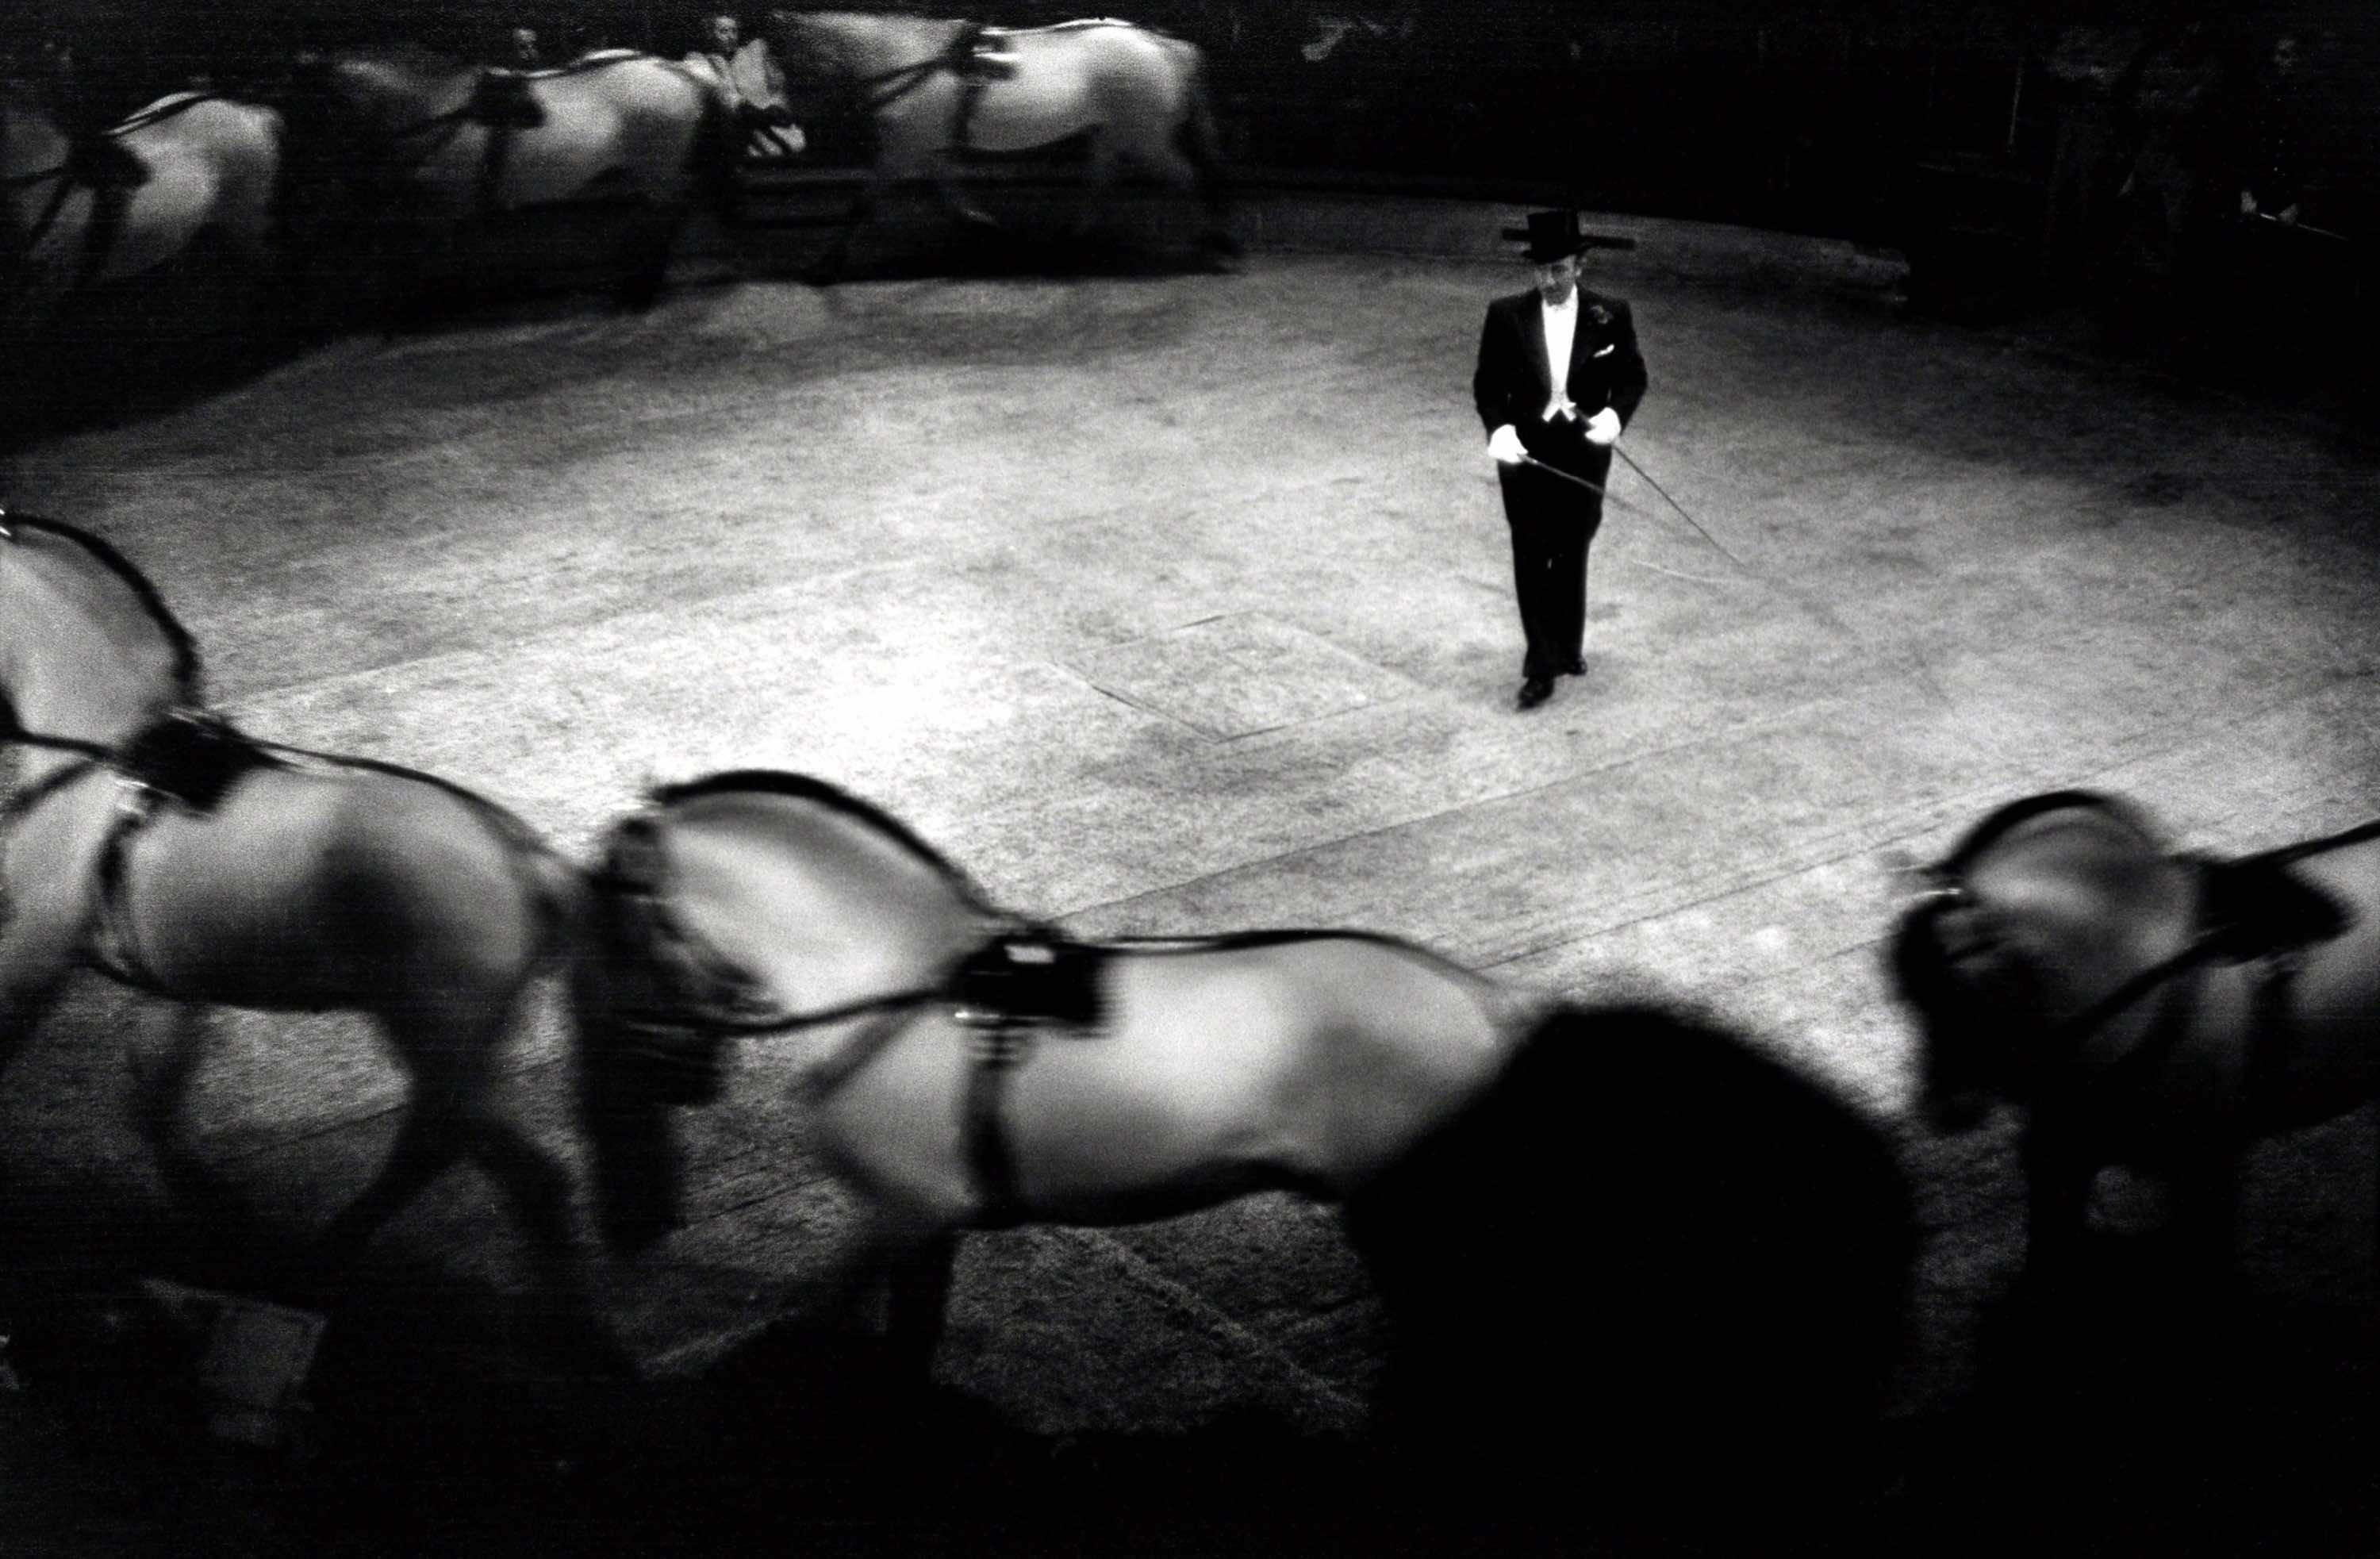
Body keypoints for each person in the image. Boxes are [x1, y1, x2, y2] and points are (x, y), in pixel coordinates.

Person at [1472, 209, 1647, 712]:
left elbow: (1633, 377)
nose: (1549, 281)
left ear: (1579, 267)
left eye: (1559, 270)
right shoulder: (1506, 315)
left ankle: (1567, 646)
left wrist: (1614, 417)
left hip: (1584, 453)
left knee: (1573, 547)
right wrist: (1499, 429)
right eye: (1541, 270)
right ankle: (1540, 664)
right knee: (1531, 552)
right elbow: (1488, 385)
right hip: (1526, 454)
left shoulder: (1610, 314)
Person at [685, 12, 804, 160]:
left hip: (778, 131)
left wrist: (778, 107)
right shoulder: (701, 61)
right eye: (723, 31)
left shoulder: (755, 53)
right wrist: (757, 114)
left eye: (734, 31)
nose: (731, 37)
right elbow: (726, 98)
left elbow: (778, 85)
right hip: (739, 140)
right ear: (710, 34)